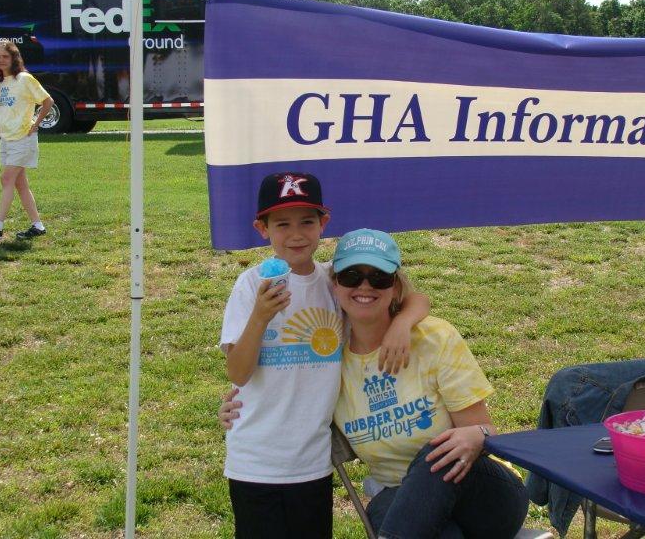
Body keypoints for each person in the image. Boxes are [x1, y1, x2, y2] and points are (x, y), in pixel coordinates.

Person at [221, 227, 529, 539]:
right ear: (335, 286)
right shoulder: (331, 362)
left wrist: (476, 435)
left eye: (379, 278)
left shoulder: (434, 339)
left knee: (433, 454)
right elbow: (292, 384)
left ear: (395, 287)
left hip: (480, 491)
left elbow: (484, 430)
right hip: (397, 497)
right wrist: (244, 404)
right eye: (352, 276)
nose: (365, 286)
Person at [220, 173, 429, 539]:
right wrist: (260, 316)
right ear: (261, 228)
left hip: (312, 462)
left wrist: (402, 323)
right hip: (254, 459)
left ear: (324, 224)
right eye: (282, 224)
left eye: (307, 222)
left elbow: (414, 297)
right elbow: (237, 373)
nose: (296, 234)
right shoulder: (251, 286)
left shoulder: (336, 281)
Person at [0, 41, 53, 241]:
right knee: (20, 184)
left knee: (6, 179)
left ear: (14, 58)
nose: (1, 60)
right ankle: (37, 226)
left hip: (23, 137)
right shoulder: (0, 81)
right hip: (6, 138)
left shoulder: (25, 79)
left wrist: (36, 123)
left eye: (5, 56)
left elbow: (48, 101)